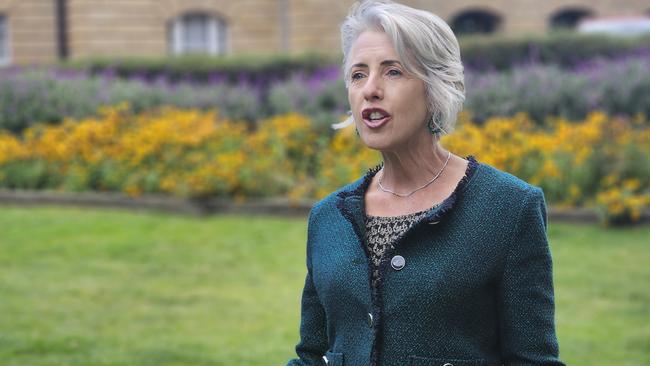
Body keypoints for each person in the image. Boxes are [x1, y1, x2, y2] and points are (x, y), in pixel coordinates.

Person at [287, 1, 565, 365]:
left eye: (393, 72)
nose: (370, 89)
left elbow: (533, 360)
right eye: (358, 75)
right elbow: (313, 354)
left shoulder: (510, 208)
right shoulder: (328, 217)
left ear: (436, 87)